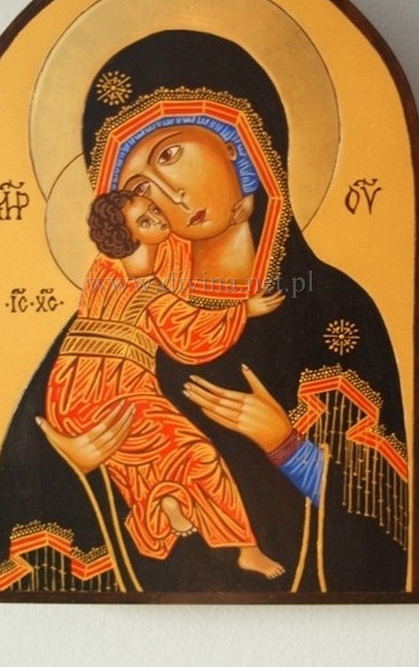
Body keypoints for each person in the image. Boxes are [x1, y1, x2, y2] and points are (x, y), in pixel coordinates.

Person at [0, 31, 409, 594]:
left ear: (238, 142)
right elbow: (27, 495)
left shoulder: (333, 308)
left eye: (171, 153)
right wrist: (70, 465)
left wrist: (286, 446)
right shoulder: (116, 319)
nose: (169, 193)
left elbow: (390, 521)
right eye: (140, 187)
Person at [45, 189, 285, 578]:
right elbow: (190, 336)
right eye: (145, 220)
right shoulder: (147, 291)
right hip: (108, 389)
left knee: (140, 466)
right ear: (127, 236)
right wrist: (244, 310)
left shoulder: (106, 272)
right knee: (197, 453)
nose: (158, 218)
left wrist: (229, 213)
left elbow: (175, 245)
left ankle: (166, 503)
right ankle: (245, 548)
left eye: (154, 210)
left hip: (76, 390)